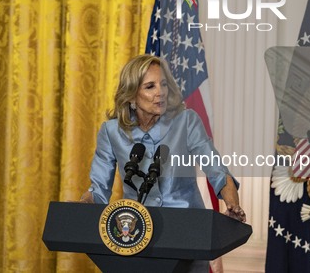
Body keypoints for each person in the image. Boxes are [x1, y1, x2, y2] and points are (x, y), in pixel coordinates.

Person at [79, 54, 246, 224]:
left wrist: (233, 206)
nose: (161, 92)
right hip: (136, 229)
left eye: (164, 84)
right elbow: (98, 189)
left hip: (188, 226)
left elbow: (216, 170)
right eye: (150, 86)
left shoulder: (186, 121)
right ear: (131, 96)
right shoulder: (111, 131)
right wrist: (81, 206)